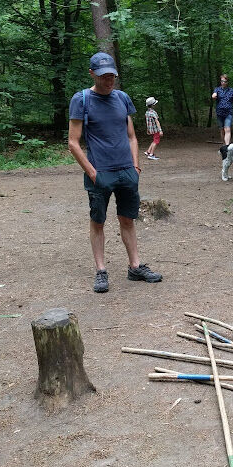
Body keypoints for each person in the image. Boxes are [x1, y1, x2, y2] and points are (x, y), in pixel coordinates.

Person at [68, 52, 163, 293]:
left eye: (112, 75)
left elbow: (131, 135)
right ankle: (101, 270)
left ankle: (135, 266)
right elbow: (73, 142)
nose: (109, 80)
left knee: (127, 219)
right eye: (104, 76)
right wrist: (92, 173)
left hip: (126, 172)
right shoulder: (82, 100)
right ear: (92, 74)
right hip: (100, 173)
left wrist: (136, 166)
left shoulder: (122, 98)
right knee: (98, 221)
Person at [211, 74, 233, 145]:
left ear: (227, 82)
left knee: (227, 129)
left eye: (225, 81)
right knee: (222, 130)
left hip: (228, 113)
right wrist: (214, 96)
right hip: (219, 113)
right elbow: (214, 95)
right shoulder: (217, 89)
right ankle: (224, 144)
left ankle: (227, 146)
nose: (223, 83)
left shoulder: (231, 90)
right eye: (222, 81)